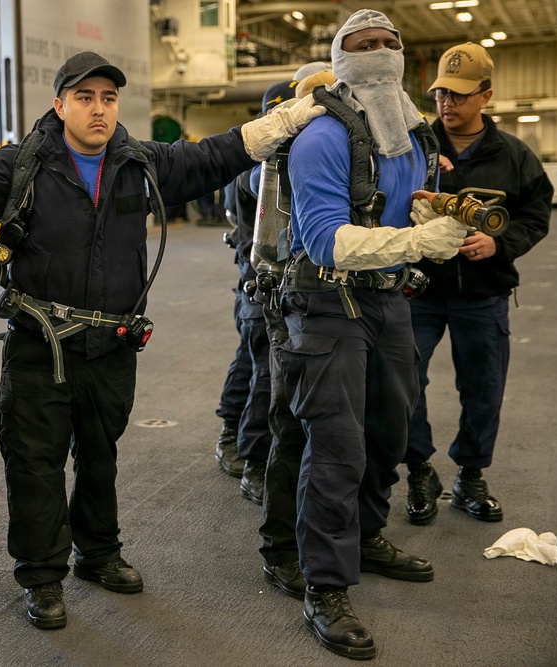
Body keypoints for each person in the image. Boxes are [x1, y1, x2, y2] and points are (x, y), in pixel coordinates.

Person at [0, 50, 324, 630]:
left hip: (113, 345)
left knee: (100, 456)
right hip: (39, 344)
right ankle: (43, 576)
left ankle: (98, 553)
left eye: (107, 98)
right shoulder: (22, 166)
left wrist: (290, 118)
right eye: (84, 97)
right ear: (59, 105)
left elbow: (217, 156)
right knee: (35, 462)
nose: (98, 109)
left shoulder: (141, 162)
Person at [278, 10, 470, 659]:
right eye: (364, 46)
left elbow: (407, 200)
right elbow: (326, 237)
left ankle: (364, 533)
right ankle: (325, 584)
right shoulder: (322, 137)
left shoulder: (409, 136)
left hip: (388, 301)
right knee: (336, 445)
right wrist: (416, 239)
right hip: (329, 301)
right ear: (341, 61)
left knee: (391, 428)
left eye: (390, 43)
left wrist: (426, 215)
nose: (381, 54)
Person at [403, 43, 553, 525]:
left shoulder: (514, 156)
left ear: (486, 96)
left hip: (483, 295)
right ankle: (420, 471)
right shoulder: (416, 150)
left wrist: (499, 244)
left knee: (483, 387)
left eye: (460, 95)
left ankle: (470, 476)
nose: (447, 103)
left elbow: (535, 213)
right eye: (441, 93)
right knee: (404, 381)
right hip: (420, 290)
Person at [257, 70, 336, 602]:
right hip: (288, 296)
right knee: (291, 424)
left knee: (335, 433)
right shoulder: (282, 155)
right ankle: (281, 548)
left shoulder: (347, 146)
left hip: (338, 303)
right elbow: (266, 234)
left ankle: (346, 537)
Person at [212, 80, 298, 504]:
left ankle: (235, 434)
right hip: (258, 285)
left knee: (252, 364)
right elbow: (252, 184)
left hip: (275, 286)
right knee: (262, 370)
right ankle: (248, 453)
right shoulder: (256, 166)